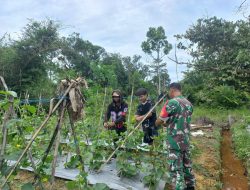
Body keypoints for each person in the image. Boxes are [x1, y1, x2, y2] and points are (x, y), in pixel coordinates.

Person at [155, 83, 196, 190]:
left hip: (174, 141)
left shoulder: (172, 102)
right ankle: (190, 187)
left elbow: (161, 119)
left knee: (175, 170)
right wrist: (168, 122)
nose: (169, 93)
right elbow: (179, 119)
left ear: (172, 90)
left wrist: (157, 122)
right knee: (187, 166)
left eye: (169, 91)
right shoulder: (189, 104)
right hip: (185, 141)